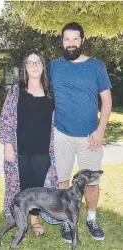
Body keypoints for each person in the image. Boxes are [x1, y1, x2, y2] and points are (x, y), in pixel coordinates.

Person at [49, 22, 112, 243]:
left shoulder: (96, 66)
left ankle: (91, 219)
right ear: (62, 41)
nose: (71, 43)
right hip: (62, 134)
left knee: (92, 183)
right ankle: (66, 222)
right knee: (63, 181)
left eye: (75, 39)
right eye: (67, 39)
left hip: (90, 137)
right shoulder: (54, 66)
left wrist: (100, 130)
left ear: (82, 40)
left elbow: (106, 100)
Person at [0, 50, 59, 236]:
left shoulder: (51, 92)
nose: (34, 66)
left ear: (43, 66)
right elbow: (6, 119)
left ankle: (34, 220)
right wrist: (8, 145)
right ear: (24, 67)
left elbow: (57, 121)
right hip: (19, 149)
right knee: (21, 186)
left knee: (39, 187)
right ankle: (18, 217)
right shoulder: (16, 91)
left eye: (37, 62)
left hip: (43, 149)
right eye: (30, 62)